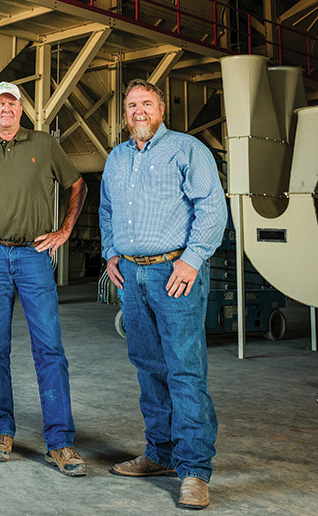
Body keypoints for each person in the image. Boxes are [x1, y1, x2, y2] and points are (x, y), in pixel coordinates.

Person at [99, 79, 227, 509]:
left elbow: (212, 206)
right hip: (132, 277)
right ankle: (160, 454)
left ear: (160, 109)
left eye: (146, 103)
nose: (138, 110)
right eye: (132, 104)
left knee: (185, 369)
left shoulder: (188, 150)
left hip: (175, 273)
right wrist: (110, 253)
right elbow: (107, 210)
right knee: (148, 367)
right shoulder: (117, 158)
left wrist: (191, 260)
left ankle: (194, 470)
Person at [0, 81, 88, 476]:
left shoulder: (44, 145)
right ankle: (2, 430)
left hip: (33, 257)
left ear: (21, 109)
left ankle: (60, 441)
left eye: (12, 103)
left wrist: (64, 231)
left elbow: (77, 184)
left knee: (49, 349)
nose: (6, 109)